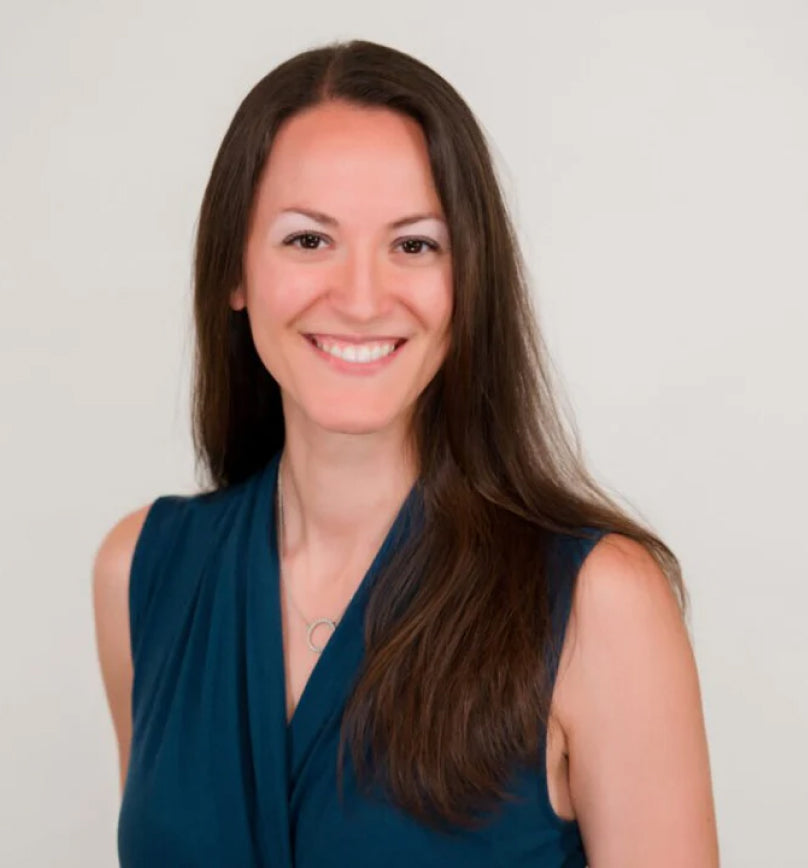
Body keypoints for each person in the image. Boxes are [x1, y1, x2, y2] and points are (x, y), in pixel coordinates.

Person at [92, 38, 719, 867]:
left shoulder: (603, 606)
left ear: (470, 282)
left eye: (415, 245)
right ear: (235, 272)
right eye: (308, 240)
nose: (359, 297)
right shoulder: (141, 572)